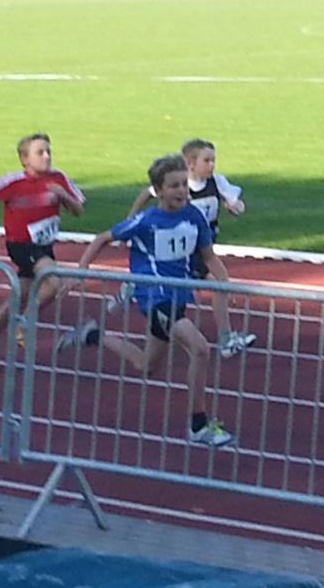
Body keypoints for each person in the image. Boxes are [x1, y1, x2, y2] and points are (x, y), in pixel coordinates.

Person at [56, 154, 235, 447]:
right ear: (159, 190)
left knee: (146, 365)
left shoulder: (194, 217)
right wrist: (81, 271)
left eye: (184, 184)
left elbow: (208, 256)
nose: (181, 191)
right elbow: (103, 238)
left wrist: (225, 284)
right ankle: (199, 425)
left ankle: (92, 335)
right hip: (155, 296)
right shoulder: (146, 221)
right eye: (174, 186)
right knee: (200, 349)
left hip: (179, 296)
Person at [116, 138, 251, 357]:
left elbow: (236, 202)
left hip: (202, 245)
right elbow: (147, 194)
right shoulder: (177, 185)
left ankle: (136, 284)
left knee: (149, 360)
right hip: (188, 251)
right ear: (191, 164)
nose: (212, 164)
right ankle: (226, 337)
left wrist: (235, 207)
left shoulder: (217, 182)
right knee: (217, 286)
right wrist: (130, 219)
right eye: (207, 160)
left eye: (213, 160)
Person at [0, 133, 85, 373]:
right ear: (24, 159)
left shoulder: (59, 179)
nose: (47, 156)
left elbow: (78, 210)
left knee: (18, 296)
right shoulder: (13, 182)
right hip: (22, 246)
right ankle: (24, 323)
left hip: (44, 246)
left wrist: (63, 195)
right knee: (53, 282)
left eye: (49, 151)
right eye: (40, 152)